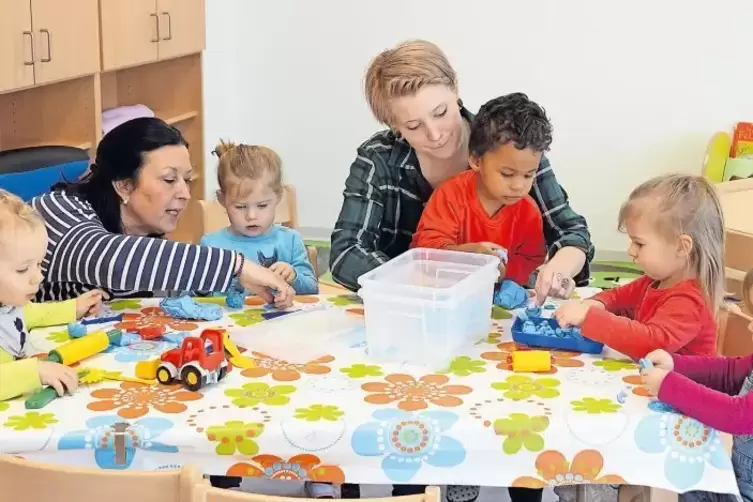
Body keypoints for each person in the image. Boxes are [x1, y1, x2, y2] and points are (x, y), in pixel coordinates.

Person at [330, 39, 593, 306]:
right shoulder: (378, 158)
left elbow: (571, 231)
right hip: (411, 310)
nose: (435, 135)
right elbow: (346, 252)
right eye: (413, 125)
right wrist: (433, 280)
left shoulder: (507, 143)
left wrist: (557, 268)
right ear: (394, 126)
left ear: (455, 89)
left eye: (441, 112)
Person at [29, 117, 294, 308]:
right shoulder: (55, 211)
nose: (185, 194)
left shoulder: (146, 231)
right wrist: (238, 267)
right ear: (124, 185)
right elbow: (111, 260)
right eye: (169, 180)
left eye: (187, 180)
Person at [554, 173, 723, 360]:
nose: (631, 251)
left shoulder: (690, 300)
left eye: (639, 244)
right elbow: (618, 297)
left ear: (681, 247)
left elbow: (652, 343)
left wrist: (590, 317)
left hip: (682, 385)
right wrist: (597, 304)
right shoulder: (656, 281)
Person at [411, 92, 548, 287]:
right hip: (445, 292)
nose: (519, 186)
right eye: (507, 174)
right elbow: (425, 251)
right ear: (476, 160)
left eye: (528, 175)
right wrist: (469, 256)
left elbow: (531, 261)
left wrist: (503, 274)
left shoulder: (529, 212)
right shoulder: (450, 196)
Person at [643, 268, 753, 502]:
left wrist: (669, 386)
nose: (751, 327)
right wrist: (676, 364)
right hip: (740, 480)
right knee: (691, 476)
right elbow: (731, 373)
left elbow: (738, 415)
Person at [0, 189, 104, 401]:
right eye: (22, 270)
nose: (37, 277)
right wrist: (36, 372)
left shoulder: (9, 304)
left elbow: (31, 313)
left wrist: (72, 307)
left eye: (39, 264)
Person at [200, 141, 318, 295]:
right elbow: (190, 296)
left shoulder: (290, 240)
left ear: (278, 196)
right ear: (222, 200)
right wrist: (202, 286)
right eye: (240, 207)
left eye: (262, 206)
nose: (251, 216)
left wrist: (293, 276)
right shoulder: (211, 244)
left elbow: (312, 289)